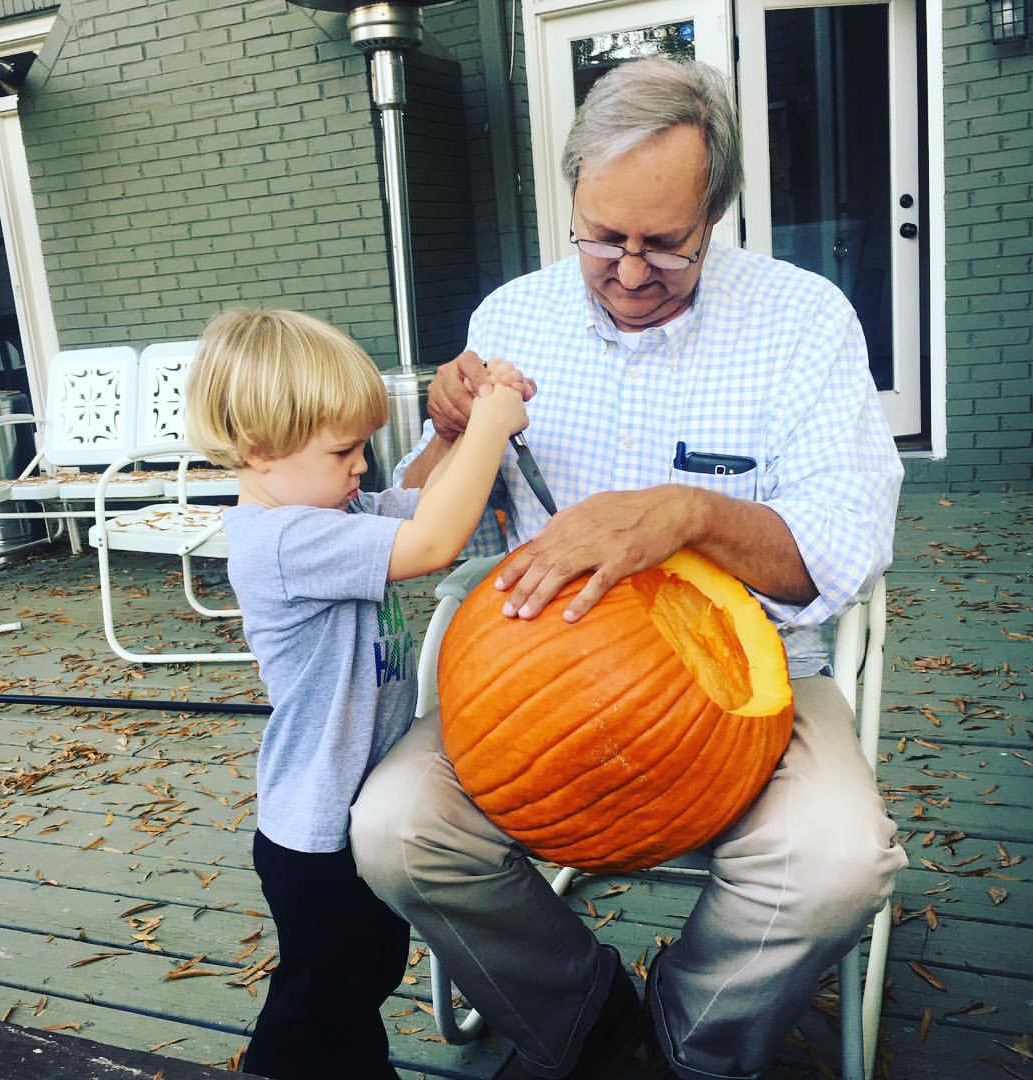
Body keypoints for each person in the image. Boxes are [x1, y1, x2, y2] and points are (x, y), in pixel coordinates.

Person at [350, 57, 908, 1080]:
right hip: (537, 679)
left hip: (754, 682)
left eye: (669, 246)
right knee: (393, 828)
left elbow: (840, 544)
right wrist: (442, 438)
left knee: (838, 864)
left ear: (716, 217)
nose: (634, 269)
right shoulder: (512, 317)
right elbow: (447, 537)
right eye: (604, 239)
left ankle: (688, 1039)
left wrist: (687, 514)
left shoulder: (803, 322)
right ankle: (589, 1019)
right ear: (571, 201)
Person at [184, 308, 530, 1080]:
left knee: (359, 984)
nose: (362, 467)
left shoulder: (328, 511)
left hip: (352, 812)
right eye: (343, 449)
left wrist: (448, 438)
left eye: (364, 444)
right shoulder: (283, 540)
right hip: (314, 831)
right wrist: (491, 430)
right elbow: (434, 540)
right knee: (319, 1002)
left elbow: (418, 501)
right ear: (256, 450)